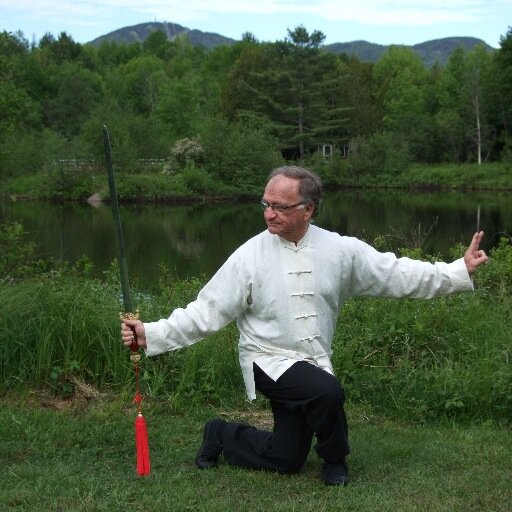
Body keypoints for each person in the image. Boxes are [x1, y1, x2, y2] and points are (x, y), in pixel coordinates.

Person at [121, 166, 488, 486]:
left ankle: (221, 435)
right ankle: (335, 459)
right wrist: (151, 333)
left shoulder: (341, 250)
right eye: (266, 204)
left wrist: (457, 270)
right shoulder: (248, 256)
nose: (269, 214)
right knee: (326, 392)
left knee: (286, 459)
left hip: (313, 360)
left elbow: (397, 273)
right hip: (267, 360)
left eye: (280, 207)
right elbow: (206, 311)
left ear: (308, 209)